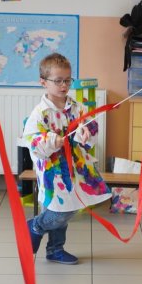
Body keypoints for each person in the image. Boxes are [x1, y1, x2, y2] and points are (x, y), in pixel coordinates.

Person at [23, 53, 111, 264]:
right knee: (59, 208)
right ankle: (35, 226)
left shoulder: (77, 107)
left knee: (66, 205)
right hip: (53, 170)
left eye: (67, 80)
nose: (64, 85)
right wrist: (50, 141)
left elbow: (90, 126)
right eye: (58, 81)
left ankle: (55, 249)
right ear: (43, 82)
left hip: (75, 167)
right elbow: (32, 140)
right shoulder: (40, 113)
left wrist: (86, 132)